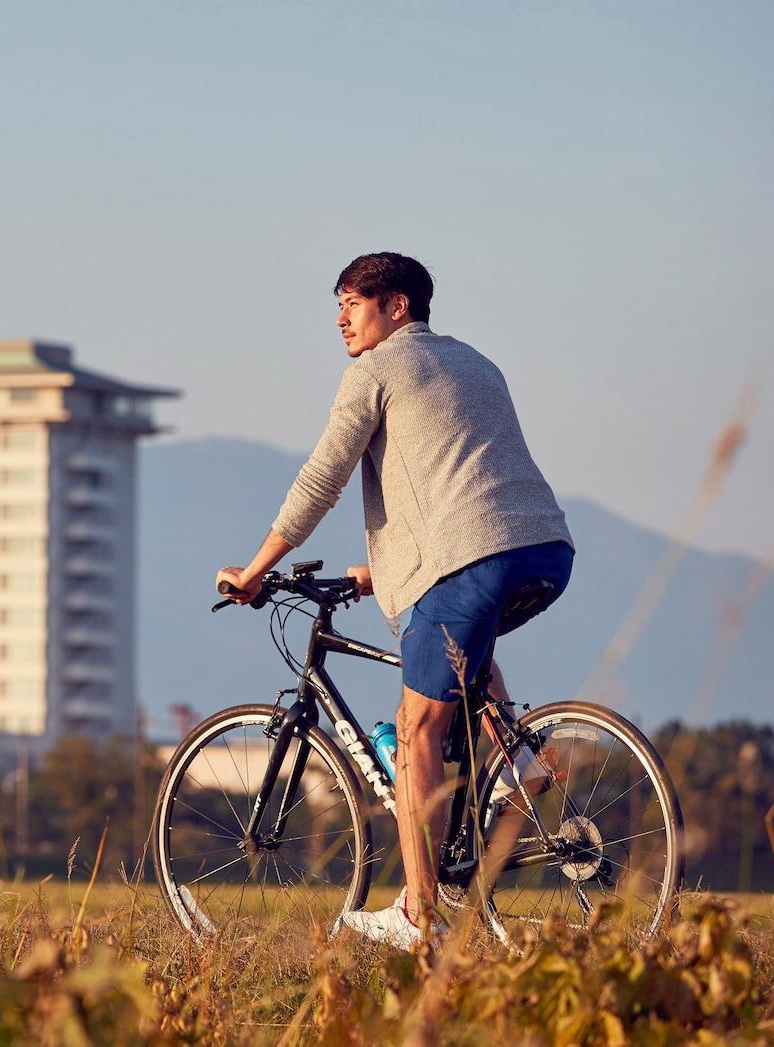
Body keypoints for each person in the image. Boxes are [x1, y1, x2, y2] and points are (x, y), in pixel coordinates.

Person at [215, 252, 576, 950]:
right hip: (543, 549)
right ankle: (516, 761)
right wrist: (377, 570)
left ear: (398, 306)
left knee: (416, 729)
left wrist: (257, 569)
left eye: (353, 301)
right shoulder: (474, 363)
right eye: (338, 303)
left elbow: (322, 477)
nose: (340, 317)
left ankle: (419, 915)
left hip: (470, 557)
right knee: (463, 660)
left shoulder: (376, 370)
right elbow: (464, 486)